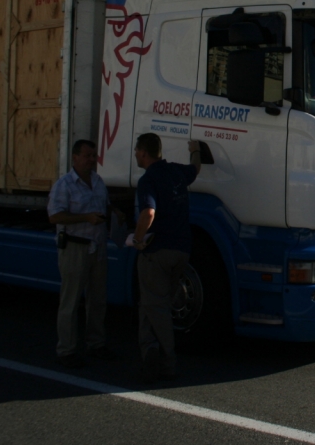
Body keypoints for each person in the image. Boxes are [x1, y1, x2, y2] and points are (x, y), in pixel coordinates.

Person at [132, 133, 202, 382]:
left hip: (157, 251)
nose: (136, 155)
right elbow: (195, 168)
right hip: (181, 250)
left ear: (143, 152)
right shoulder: (175, 172)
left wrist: (138, 240)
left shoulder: (148, 179)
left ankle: (166, 362)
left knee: (156, 306)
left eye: (136, 151)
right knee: (150, 304)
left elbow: (148, 213)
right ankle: (148, 351)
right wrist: (195, 149)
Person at [48, 139, 118, 368]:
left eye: (93, 155)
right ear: (75, 158)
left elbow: (105, 207)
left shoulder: (98, 182)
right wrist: (85, 218)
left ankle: (95, 344)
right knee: (71, 300)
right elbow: (55, 216)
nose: (91, 160)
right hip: (75, 247)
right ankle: (66, 349)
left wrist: (114, 214)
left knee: (97, 299)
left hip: (97, 247)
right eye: (87, 155)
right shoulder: (65, 184)